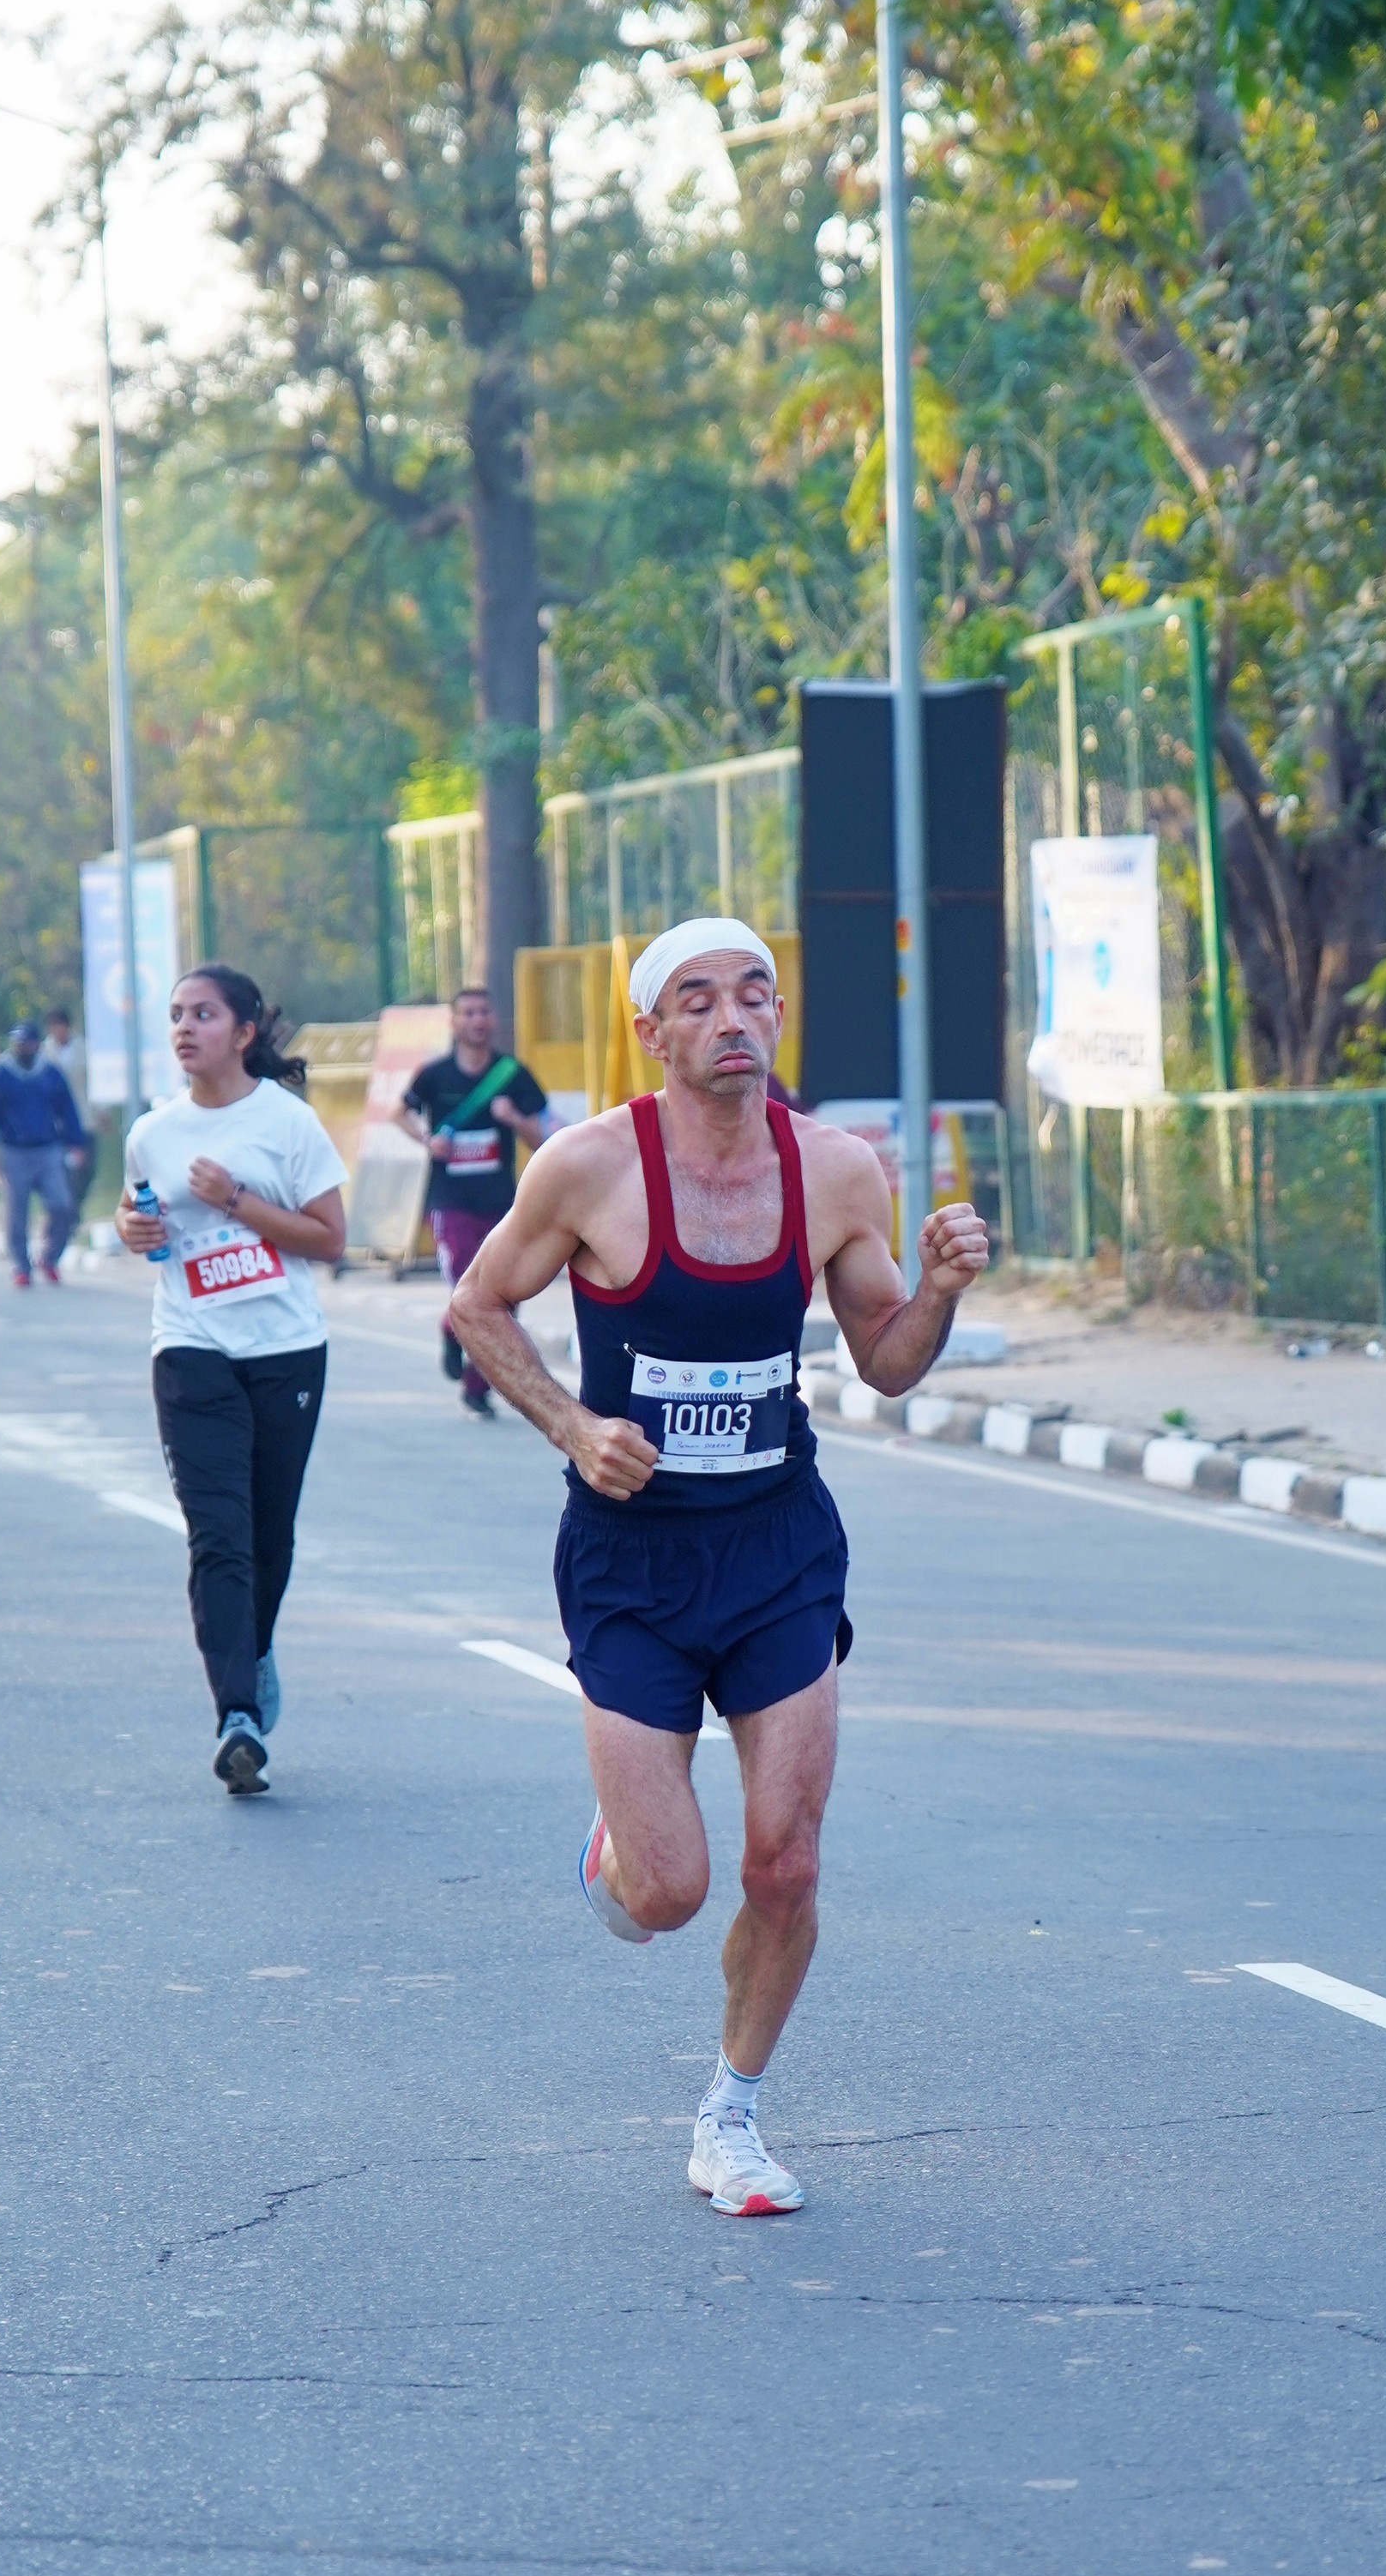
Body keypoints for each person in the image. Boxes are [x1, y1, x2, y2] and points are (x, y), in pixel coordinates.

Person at [452, 917, 989, 2217]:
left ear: (777, 1019)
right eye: (695, 1000)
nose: (730, 1018)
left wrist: (936, 1291)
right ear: (650, 1033)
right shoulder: (589, 1167)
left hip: (776, 1546)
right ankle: (621, 1853)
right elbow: (476, 1304)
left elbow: (885, 1360)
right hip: (630, 1558)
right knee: (668, 1892)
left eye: (752, 994)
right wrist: (573, 1428)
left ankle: (730, 2118)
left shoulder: (835, 1170)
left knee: (785, 1863)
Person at [116, 965, 348, 1798]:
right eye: (176, 1014)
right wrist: (133, 1227)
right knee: (217, 1533)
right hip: (190, 1346)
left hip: (285, 1350)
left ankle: (254, 1647)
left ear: (244, 1032)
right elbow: (140, 1213)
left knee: (268, 1534)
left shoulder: (287, 1123)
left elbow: (330, 1239)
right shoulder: (153, 1131)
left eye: (203, 1014)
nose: (184, 1027)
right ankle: (237, 1716)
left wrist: (237, 1199)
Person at [395, 985, 551, 1417]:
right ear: (454, 1021)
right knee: (468, 1286)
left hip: (502, 1202)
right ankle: (453, 1328)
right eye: (468, 1013)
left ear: (493, 1020)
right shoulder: (434, 1075)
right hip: (451, 1202)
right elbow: (399, 1113)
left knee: (506, 1295)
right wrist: (427, 1140)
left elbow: (542, 1139)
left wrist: (513, 1118)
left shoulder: (512, 1075)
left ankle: (476, 1384)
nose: (477, 1020)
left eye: (483, 1012)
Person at [0, 1021, 86, 1288]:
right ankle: (21, 1265)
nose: (21, 1047)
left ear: (37, 1044)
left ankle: (49, 1257)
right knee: (17, 1210)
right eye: (18, 1042)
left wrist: (76, 1141)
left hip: (48, 1149)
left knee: (62, 1205)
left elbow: (67, 1109)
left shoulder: (50, 1073)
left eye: (26, 1042)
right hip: (13, 1150)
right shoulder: (0, 1075)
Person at [42, 1005, 98, 1227]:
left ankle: (74, 1207)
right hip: (56, 1123)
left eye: (61, 1026)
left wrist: (101, 1111)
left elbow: (96, 1081)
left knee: (87, 1169)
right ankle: (65, 1215)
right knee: (61, 1171)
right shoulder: (44, 1053)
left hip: (84, 1117)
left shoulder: (84, 1049)